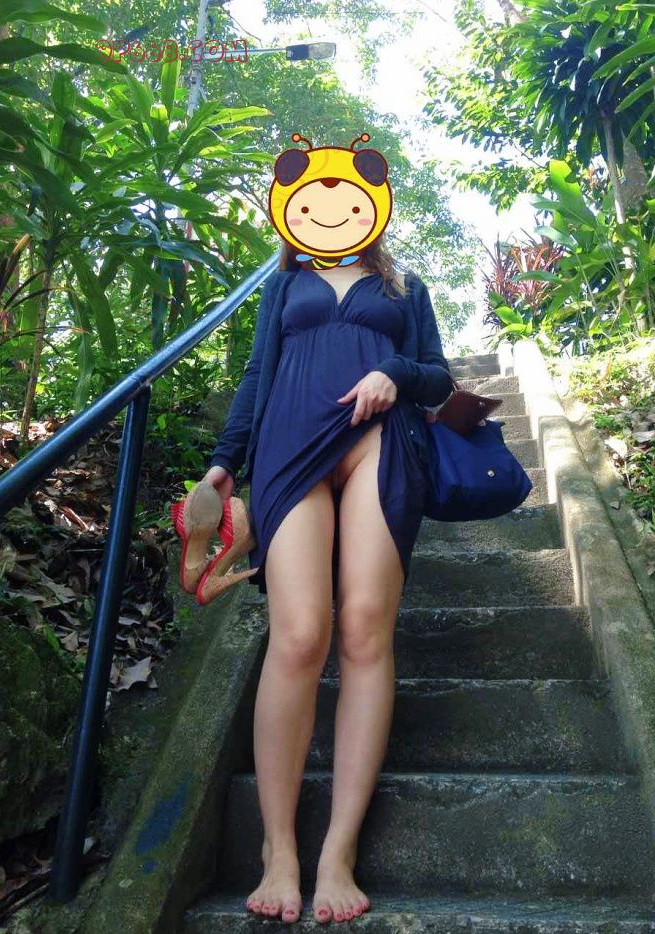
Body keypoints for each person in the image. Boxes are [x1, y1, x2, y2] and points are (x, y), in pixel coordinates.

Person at [201, 232, 452, 924]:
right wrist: (225, 461)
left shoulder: (405, 288)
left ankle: (339, 850)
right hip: (289, 446)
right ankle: (278, 849)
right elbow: (258, 372)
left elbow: (439, 378)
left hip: (381, 444)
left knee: (365, 629)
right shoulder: (284, 284)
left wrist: (396, 372)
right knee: (300, 634)